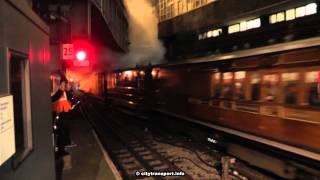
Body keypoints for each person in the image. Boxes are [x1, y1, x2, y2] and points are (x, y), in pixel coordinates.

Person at [51, 78, 72, 157]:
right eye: (63, 84)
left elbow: (68, 99)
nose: (64, 85)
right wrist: (60, 90)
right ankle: (60, 151)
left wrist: (68, 90)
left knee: (63, 132)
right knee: (60, 133)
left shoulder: (63, 91)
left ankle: (62, 149)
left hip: (64, 113)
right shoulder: (56, 91)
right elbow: (53, 99)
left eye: (64, 84)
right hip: (59, 114)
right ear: (59, 84)